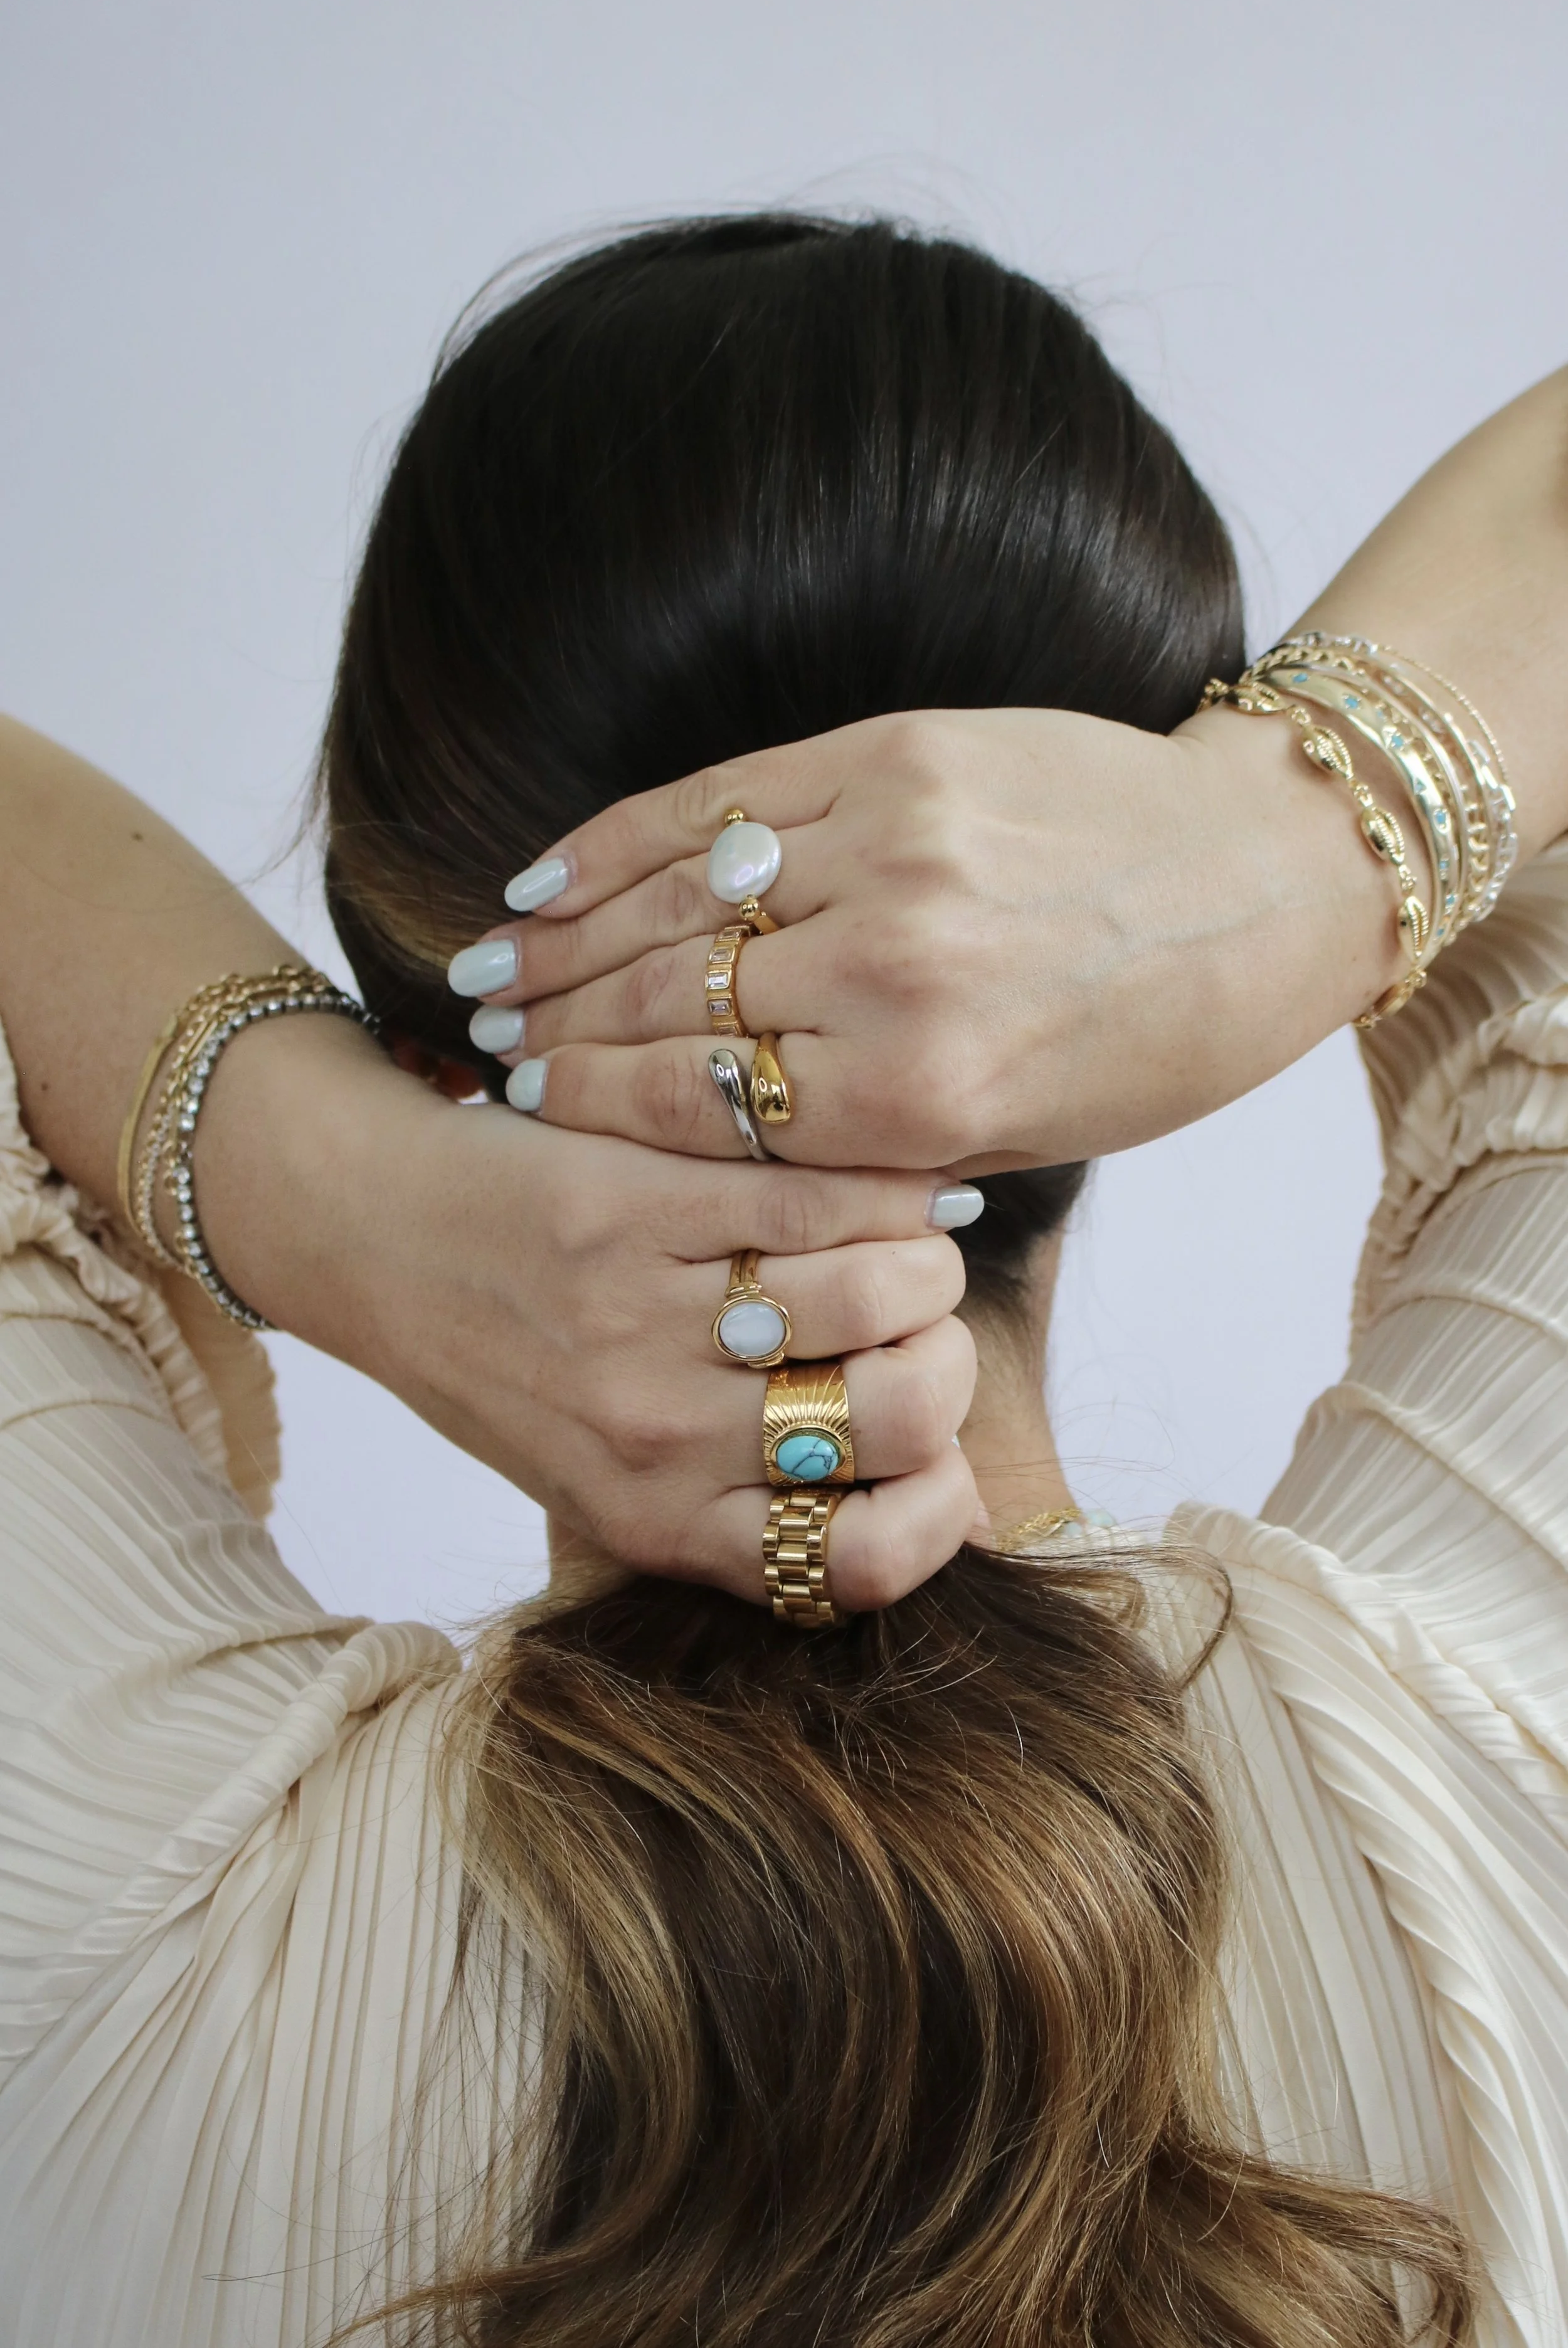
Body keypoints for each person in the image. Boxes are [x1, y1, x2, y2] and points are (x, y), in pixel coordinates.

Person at [0, 213, 1564, 2346]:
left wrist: (305, 1181)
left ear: (422, 1015)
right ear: (1108, 1034)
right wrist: (1284, 841)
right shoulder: (1505, 1734)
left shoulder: (90, 1906)